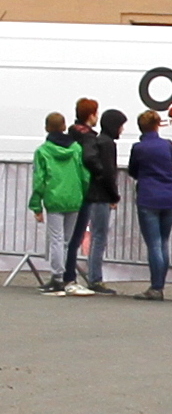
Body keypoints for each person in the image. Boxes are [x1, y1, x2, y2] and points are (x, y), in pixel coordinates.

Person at [126, 110, 172, 301]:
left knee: (154, 243)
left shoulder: (138, 148)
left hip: (148, 197)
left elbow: (133, 170)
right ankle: (159, 285)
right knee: (163, 242)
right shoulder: (166, 145)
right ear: (157, 126)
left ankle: (156, 287)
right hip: (169, 197)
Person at [63, 102, 127, 295]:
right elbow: (106, 171)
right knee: (98, 236)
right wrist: (113, 193)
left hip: (83, 191)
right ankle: (95, 278)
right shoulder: (102, 142)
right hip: (99, 194)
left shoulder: (78, 135)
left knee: (74, 236)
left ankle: (69, 274)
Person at [30, 112, 90, 295]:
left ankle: (56, 278)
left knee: (56, 239)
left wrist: (36, 205)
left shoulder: (42, 151)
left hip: (54, 199)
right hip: (74, 198)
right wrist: (83, 194)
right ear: (64, 127)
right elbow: (84, 175)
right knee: (66, 241)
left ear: (47, 128)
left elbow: (39, 180)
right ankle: (65, 278)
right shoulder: (76, 149)